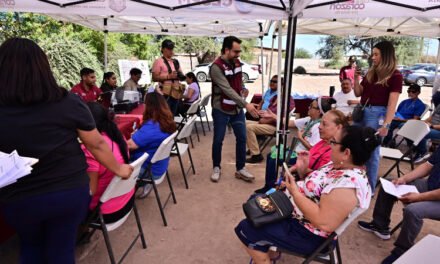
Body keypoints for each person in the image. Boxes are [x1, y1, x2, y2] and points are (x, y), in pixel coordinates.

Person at [0, 38, 133, 264]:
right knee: (61, 252)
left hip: (19, 198)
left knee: (30, 247)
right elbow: (96, 143)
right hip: (67, 192)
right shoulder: (67, 101)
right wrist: (120, 168)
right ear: (43, 68)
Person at [235, 126, 379, 264]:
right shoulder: (339, 164)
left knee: (246, 228)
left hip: (308, 234)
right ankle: (269, 250)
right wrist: (303, 170)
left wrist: (295, 192)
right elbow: (320, 187)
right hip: (298, 215)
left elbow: (324, 222)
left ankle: (264, 256)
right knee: (254, 203)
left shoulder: (348, 186)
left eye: (333, 141)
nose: (329, 144)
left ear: (346, 153)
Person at [358, 147, 440, 264]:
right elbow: (427, 166)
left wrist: (419, 197)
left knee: (413, 211)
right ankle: (380, 226)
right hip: (431, 186)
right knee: (390, 184)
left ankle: (401, 251)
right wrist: (404, 179)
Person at [254, 102, 344, 194]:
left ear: (319, 111)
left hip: (304, 181)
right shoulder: (319, 136)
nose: (320, 127)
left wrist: (301, 139)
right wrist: (292, 170)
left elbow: (317, 179)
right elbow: (290, 122)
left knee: (274, 159)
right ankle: (270, 186)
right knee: (272, 155)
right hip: (300, 167)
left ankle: (270, 187)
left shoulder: (333, 152)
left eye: (324, 124)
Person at [354, 40, 402, 193]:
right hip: (362, 110)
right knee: (355, 145)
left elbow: (392, 104)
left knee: (372, 151)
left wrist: (386, 125)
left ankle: (369, 188)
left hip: (377, 114)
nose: (372, 57)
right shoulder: (372, 72)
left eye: (376, 54)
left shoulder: (395, 75)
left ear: (385, 55)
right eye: (372, 54)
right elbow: (358, 93)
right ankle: (357, 183)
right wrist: (355, 78)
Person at [209, 35, 259, 183]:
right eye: (236, 51)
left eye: (239, 51)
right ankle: (216, 167)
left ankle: (240, 168)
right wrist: (246, 104)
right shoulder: (216, 67)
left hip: (236, 110)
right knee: (218, 140)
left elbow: (238, 81)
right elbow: (227, 90)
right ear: (226, 50)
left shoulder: (236, 62)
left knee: (242, 138)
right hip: (221, 109)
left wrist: (243, 88)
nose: (239, 54)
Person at [81, 102, 135, 223]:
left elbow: (90, 191)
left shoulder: (90, 149)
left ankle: (80, 235)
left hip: (107, 211)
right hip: (126, 200)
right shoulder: (116, 136)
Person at [127, 92, 177, 198]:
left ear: (149, 106)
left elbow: (130, 145)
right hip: (159, 166)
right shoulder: (166, 121)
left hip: (149, 170)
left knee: (112, 170)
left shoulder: (152, 126)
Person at [245, 75, 292, 164]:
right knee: (242, 122)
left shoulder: (284, 98)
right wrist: (258, 111)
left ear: (281, 85)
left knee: (249, 127)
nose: (272, 83)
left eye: (275, 82)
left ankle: (256, 155)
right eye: (271, 81)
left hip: (275, 125)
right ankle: (253, 148)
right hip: (263, 118)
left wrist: (263, 120)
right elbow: (262, 102)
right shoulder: (271, 94)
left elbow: (279, 117)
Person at [382, 84, 425, 148]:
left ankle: (388, 142)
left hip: (406, 122)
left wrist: (401, 120)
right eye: (409, 91)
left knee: (389, 125)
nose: (410, 93)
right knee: (386, 122)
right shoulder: (404, 102)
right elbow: (397, 112)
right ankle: (388, 142)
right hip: (397, 119)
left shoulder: (420, 105)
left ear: (418, 93)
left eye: (413, 92)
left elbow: (415, 119)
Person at [152, 39, 185, 115]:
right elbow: (154, 78)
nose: (171, 51)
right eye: (169, 49)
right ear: (163, 49)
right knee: (165, 116)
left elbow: (181, 74)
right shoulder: (158, 61)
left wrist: (182, 76)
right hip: (165, 94)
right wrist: (168, 76)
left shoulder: (175, 62)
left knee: (172, 115)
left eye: (172, 49)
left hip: (176, 92)